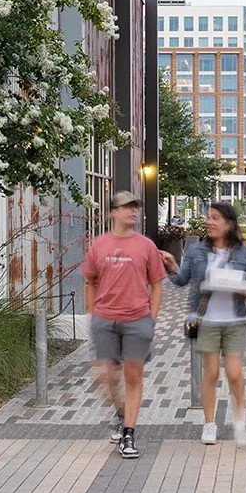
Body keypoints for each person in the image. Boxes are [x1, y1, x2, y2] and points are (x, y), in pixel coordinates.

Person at [83, 189, 168, 459]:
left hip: (137, 320)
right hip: (105, 319)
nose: (133, 211)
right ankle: (120, 414)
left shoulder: (146, 246)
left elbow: (157, 284)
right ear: (113, 213)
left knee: (133, 377)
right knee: (106, 376)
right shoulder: (99, 245)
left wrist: (151, 318)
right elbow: (89, 281)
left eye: (135, 206)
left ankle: (129, 434)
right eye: (126, 206)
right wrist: (93, 312)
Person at [170, 201, 246, 446]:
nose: (209, 222)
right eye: (209, 217)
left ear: (229, 224)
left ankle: (239, 422)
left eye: (215, 218)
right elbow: (182, 280)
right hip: (206, 320)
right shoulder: (196, 250)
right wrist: (171, 265)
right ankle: (209, 424)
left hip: (235, 320)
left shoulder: (243, 252)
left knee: (235, 374)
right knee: (212, 372)